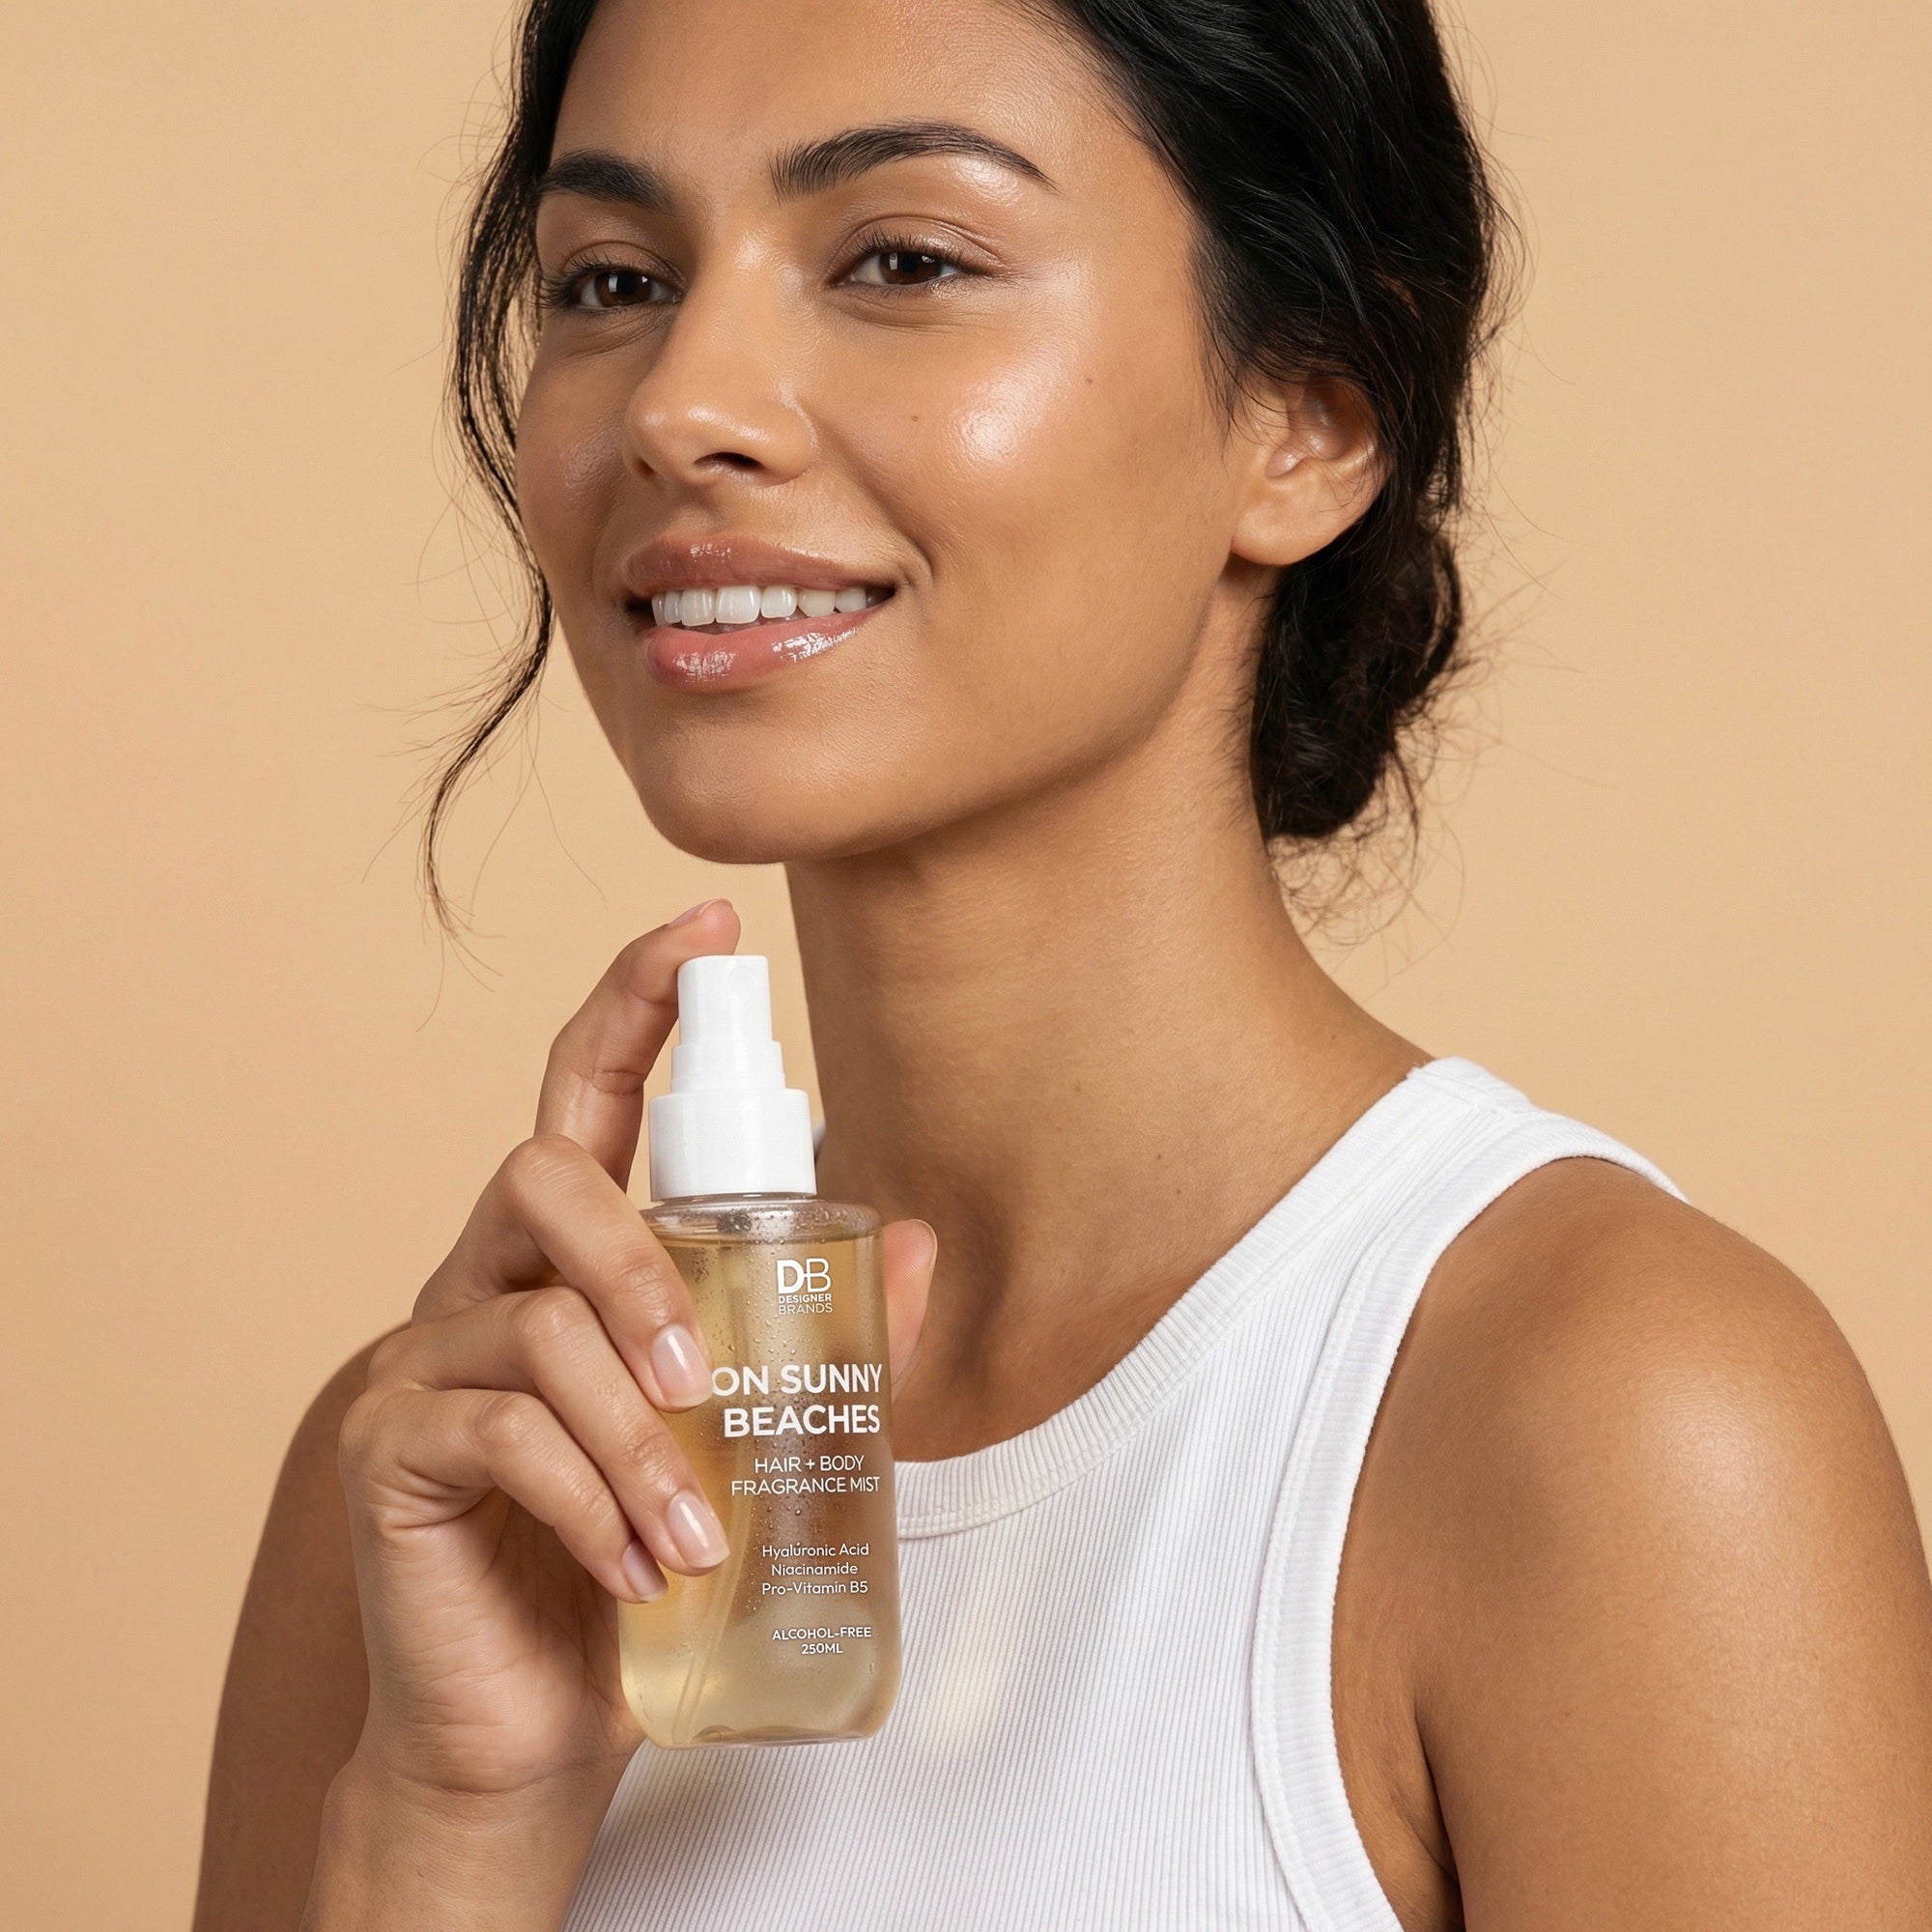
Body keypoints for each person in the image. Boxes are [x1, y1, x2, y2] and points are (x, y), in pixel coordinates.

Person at [192, 0, 1932, 1925]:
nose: (683, 401)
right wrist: (445, 1827)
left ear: (1308, 414)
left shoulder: (1608, 1425)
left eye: (903, 260)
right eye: (610, 278)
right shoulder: (449, 1475)